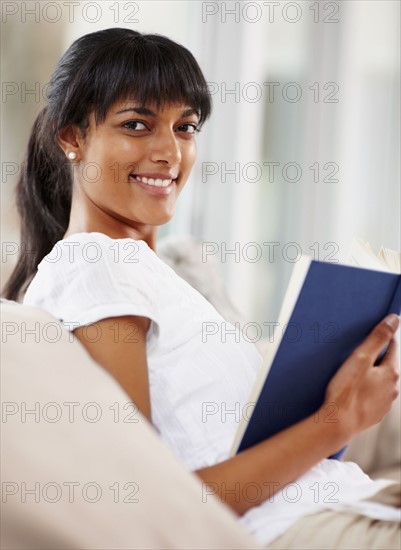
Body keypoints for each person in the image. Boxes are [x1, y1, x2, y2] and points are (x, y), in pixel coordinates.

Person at [3, 28, 400, 549]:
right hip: (298, 531)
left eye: (185, 126)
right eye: (137, 124)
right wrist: (336, 422)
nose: (170, 151)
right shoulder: (92, 262)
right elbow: (151, 505)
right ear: (71, 136)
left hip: (342, 505)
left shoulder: (144, 272)